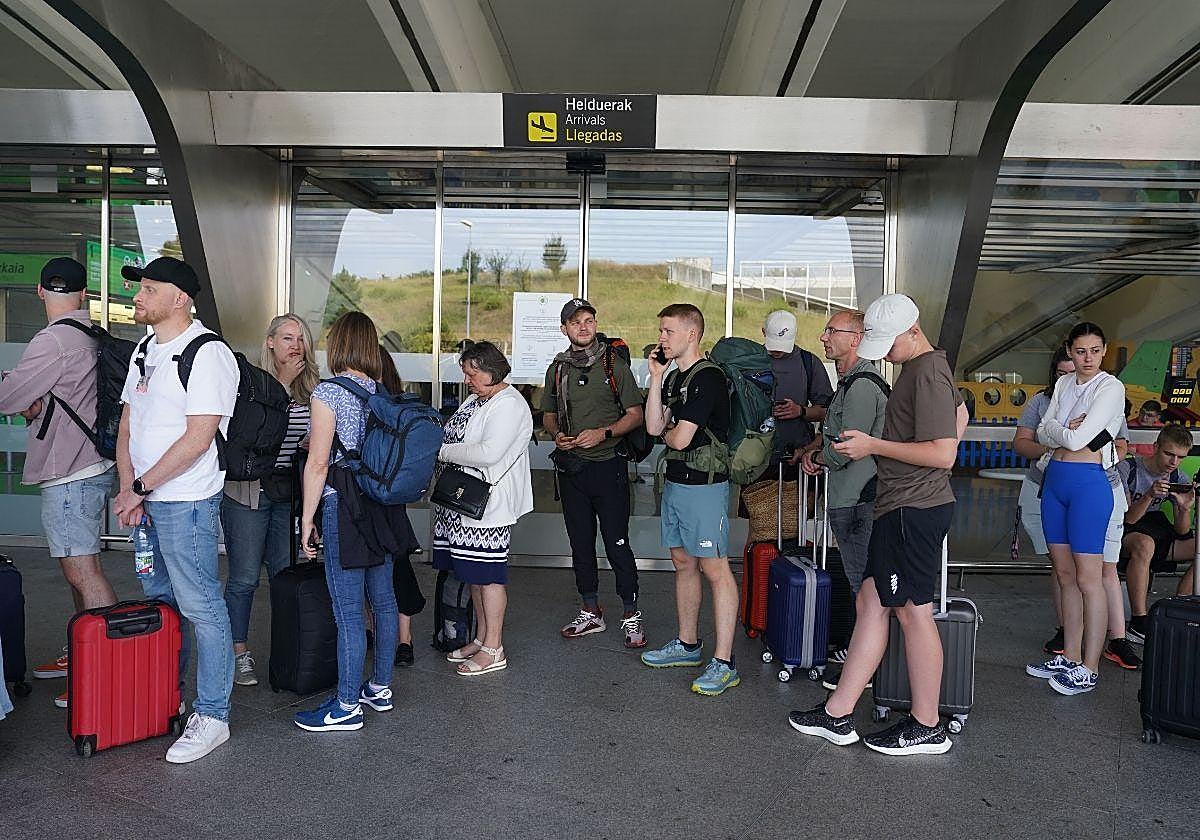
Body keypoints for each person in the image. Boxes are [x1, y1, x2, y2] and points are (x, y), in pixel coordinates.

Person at [789, 294, 967, 755]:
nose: (884, 353)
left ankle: (927, 724)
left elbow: (943, 453)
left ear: (914, 329)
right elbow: (959, 416)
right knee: (872, 602)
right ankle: (837, 713)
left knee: (913, 611)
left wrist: (873, 446)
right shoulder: (921, 369)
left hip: (913, 508)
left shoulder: (926, 370)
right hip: (901, 505)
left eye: (889, 343)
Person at [112, 256, 240, 763]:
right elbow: (127, 426)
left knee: (202, 605)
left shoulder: (207, 353)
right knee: (165, 603)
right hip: (144, 500)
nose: (138, 296)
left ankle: (213, 715)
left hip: (185, 504)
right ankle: (170, 699)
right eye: (139, 288)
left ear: (180, 299)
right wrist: (129, 489)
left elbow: (198, 439)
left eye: (148, 288)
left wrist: (139, 488)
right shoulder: (145, 348)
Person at [0, 258, 118, 709]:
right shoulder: (91, 335)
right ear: (84, 294)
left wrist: (18, 391)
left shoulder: (52, 340)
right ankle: (82, 654)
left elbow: (9, 396)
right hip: (91, 464)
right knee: (78, 567)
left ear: (40, 291)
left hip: (69, 470)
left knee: (83, 571)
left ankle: (105, 671)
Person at [294, 313, 415, 731]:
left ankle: (345, 706)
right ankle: (379, 687)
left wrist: (306, 519)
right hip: (380, 505)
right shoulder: (380, 391)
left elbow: (319, 461)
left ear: (340, 344)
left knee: (347, 610)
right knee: (383, 602)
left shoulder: (329, 392)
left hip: (343, 506)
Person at [1014, 348, 1139, 669]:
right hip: (1053, 484)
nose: (1078, 370)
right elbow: (1033, 436)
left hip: (1099, 487)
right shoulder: (1046, 399)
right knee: (1065, 571)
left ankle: (1114, 641)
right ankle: (1071, 646)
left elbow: (1117, 444)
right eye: (1064, 370)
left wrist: (1071, 436)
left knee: (1100, 572)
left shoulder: (1107, 394)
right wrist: (1064, 436)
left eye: (1092, 355)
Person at [641, 303, 741, 697]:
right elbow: (654, 427)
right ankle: (686, 644)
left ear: (691, 335)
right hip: (678, 484)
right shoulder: (672, 378)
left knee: (715, 568)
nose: (661, 338)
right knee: (683, 562)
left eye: (668, 331)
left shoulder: (707, 379)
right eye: (661, 331)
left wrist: (669, 431)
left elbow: (679, 438)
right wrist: (654, 378)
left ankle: (725, 662)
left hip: (705, 486)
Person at [220, 314, 318, 687]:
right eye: (288, 337)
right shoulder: (248, 382)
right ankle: (237, 653)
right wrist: (283, 385)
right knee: (244, 578)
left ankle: (286, 652)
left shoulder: (311, 388)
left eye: (302, 338)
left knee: (283, 575)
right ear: (271, 341)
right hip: (248, 490)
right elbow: (250, 431)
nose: (296, 345)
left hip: (286, 492)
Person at [542, 299, 647, 647]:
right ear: (564, 329)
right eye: (575, 323)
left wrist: (603, 433)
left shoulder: (613, 364)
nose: (583, 328)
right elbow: (549, 414)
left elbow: (636, 414)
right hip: (573, 471)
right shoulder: (557, 369)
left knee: (617, 545)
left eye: (589, 321)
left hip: (609, 468)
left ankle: (631, 615)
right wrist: (557, 433)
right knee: (580, 545)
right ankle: (591, 611)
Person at [434, 341, 533, 677]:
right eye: (465, 373)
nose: (467, 380)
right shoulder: (479, 398)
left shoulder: (509, 404)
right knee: (473, 576)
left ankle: (494, 648)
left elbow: (488, 453)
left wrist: (443, 451)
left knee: (488, 577)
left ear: (491, 372)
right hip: (462, 502)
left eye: (472, 373)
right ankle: (481, 638)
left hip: (488, 505)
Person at [798, 309, 887, 665]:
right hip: (850, 495)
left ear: (857, 339)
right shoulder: (849, 384)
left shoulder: (863, 386)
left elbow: (847, 445)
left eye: (832, 331)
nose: (823, 337)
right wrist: (814, 451)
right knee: (862, 584)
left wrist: (818, 459)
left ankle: (864, 662)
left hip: (858, 498)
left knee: (864, 586)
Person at [1119, 424, 1197, 643]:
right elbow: (1129, 519)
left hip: (1157, 530)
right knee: (1145, 545)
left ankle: (1181, 606)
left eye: (1180, 457)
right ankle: (1139, 621)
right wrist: (1149, 495)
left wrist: (1183, 508)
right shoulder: (1128, 469)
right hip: (1127, 531)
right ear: (1155, 447)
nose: (1174, 462)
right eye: (1169, 454)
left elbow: (1182, 531)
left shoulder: (1178, 477)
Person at [378, 345, 420, 667]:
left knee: (370, 562)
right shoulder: (399, 402)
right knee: (398, 562)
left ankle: (381, 632)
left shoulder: (370, 402)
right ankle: (403, 638)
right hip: (394, 498)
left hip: (367, 494)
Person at [763, 310, 833, 477]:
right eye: (773, 344)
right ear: (764, 333)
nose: (777, 351)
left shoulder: (809, 363)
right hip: (756, 459)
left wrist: (800, 411)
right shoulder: (750, 361)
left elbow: (828, 412)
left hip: (797, 455)